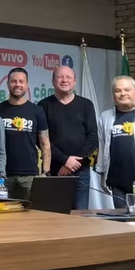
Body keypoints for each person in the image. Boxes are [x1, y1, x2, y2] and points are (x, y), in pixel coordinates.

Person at [39, 65, 98, 210]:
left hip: (81, 170)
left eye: (68, 77)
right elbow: (41, 139)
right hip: (54, 170)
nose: (64, 80)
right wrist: (65, 160)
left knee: (80, 213)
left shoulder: (86, 105)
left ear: (75, 81)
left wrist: (74, 163)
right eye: (60, 77)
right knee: (55, 213)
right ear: (53, 81)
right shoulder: (43, 105)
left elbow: (93, 137)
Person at [0, 68, 50, 200]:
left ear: (27, 85)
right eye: (14, 81)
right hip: (3, 175)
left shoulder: (37, 111)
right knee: (0, 211)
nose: (17, 84)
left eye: (21, 81)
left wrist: (45, 173)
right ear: (8, 84)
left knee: (31, 210)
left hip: (30, 175)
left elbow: (45, 143)